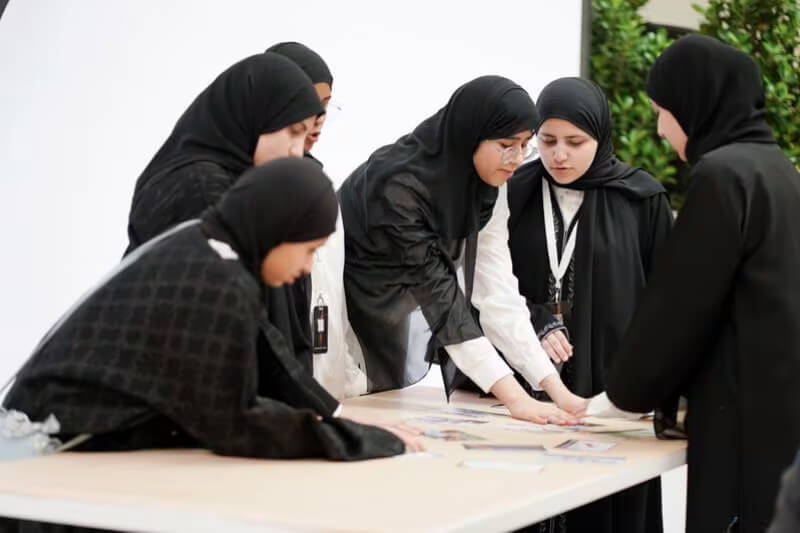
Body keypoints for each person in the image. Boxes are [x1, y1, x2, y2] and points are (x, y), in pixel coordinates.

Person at [603, 34, 800, 532]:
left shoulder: (723, 175)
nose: (661, 128)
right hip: (781, 419)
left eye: (661, 110)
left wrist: (626, 390)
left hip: (741, 424)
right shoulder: (781, 173)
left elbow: (679, 307)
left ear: (695, 103)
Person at [338, 75, 585, 422]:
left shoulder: (487, 185)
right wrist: (515, 399)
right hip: (344, 322)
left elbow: (497, 291)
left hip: (392, 322)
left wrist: (556, 391)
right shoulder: (397, 189)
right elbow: (443, 301)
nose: (516, 158)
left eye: (525, 144)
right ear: (470, 134)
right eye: (505, 144)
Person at [508, 77, 671, 532]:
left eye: (575, 142)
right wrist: (536, 317)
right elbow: (487, 287)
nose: (560, 155)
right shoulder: (513, 192)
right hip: (530, 385)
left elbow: (665, 301)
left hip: (608, 386)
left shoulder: (640, 198)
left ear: (599, 137)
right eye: (547, 141)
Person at [265, 42, 364, 398]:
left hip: (326, 382)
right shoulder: (254, 189)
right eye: (308, 107)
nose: (318, 120)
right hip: (278, 393)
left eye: (324, 108)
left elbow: (333, 293)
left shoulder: (319, 182)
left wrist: (350, 380)